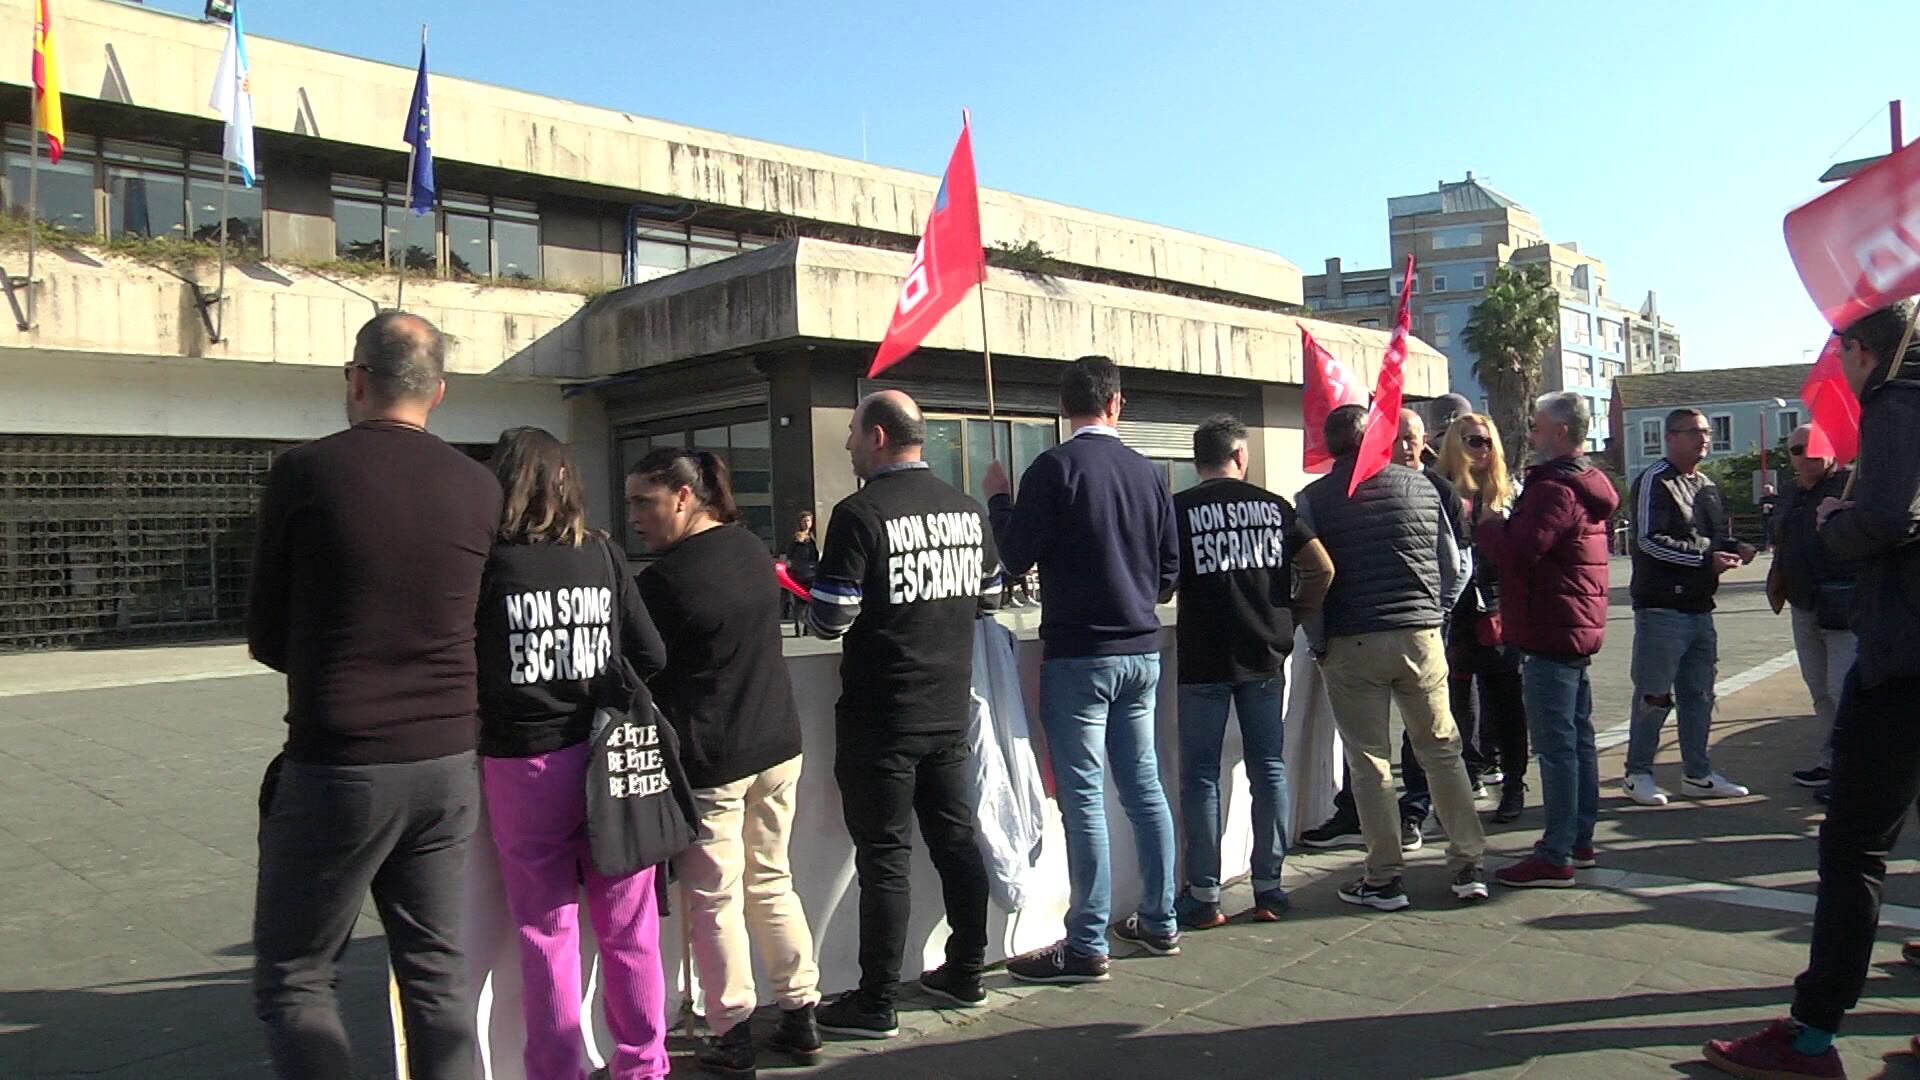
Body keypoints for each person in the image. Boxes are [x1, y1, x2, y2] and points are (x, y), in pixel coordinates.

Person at [247, 312, 500, 1079]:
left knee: (297, 975)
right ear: (440, 393)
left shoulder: (307, 472)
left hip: (341, 761)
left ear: (356, 379)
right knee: (435, 975)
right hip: (448, 760)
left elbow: (265, 631)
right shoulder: (479, 485)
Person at [1705, 301, 1920, 1077]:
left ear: (1862, 353)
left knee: (1853, 845)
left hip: (1902, 657)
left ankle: (1811, 1035)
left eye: (1845, 357)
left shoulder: (1898, 401)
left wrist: (1838, 520)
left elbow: (1887, 519)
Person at [801, 391, 1004, 1037]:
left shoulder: (860, 515)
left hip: (881, 714)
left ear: (880, 436)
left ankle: (877, 1000)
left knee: (884, 857)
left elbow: (832, 617)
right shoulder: (967, 508)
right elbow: (993, 598)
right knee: (955, 841)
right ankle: (968, 967)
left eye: (854, 434)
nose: (848, 446)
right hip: (947, 709)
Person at [475, 427, 672, 1080]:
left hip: (521, 763)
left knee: (545, 929)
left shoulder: (487, 563)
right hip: (607, 758)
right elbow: (652, 654)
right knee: (628, 926)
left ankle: (557, 1068)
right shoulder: (604, 554)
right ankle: (643, 1064)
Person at [983, 355, 1182, 982]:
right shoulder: (1150, 473)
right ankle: (1159, 919)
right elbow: (1170, 572)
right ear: (1117, 403)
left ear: (1064, 410)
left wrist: (998, 501)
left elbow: (1012, 557)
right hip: (1141, 650)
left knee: (1085, 799)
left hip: (1078, 656)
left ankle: (1088, 941)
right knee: (1145, 787)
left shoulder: (1054, 468)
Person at [628, 449, 821, 1074]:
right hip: (778, 743)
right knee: (772, 878)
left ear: (683, 498)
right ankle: (800, 1012)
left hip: (714, 757)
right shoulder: (748, 548)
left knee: (715, 897)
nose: (634, 516)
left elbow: (634, 669)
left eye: (643, 502)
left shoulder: (661, 583)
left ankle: (732, 1027)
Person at [1298, 404, 1488, 911]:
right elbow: (1454, 563)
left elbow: (1312, 576)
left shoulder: (1312, 499)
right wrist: (1436, 612)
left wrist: (1318, 641)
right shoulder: (1422, 487)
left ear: (1330, 446)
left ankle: (1384, 877)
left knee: (1369, 762)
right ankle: (1467, 863)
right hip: (1420, 634)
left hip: (1350, 639)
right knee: (1442, 750)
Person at [1170, 414, 1334, 929]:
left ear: (1198, 460)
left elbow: (1161, 582)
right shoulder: (1274, 507)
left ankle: (1204, 894)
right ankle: (1269, 888)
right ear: (1241, 456)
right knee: (1268, 768)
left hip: (1202, 657)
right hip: (1265, 652)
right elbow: (1322, 568)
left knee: (1200, 775)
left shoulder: (1178, 510)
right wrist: (1293, 615)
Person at [1475, 393, 1617, 888]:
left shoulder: (1556, 488)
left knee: (1558, 746)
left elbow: (1520, 551)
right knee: (1576, 741)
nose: (1531, 434)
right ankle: (1577, 838)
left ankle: (1556, 852)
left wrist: (1489, 524)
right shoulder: (1586, 483)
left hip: (1549, 627)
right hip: (1571, 624)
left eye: (1537, 427)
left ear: (1559, 432)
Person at [1623, 407, 1756, 805]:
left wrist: (1735, 548)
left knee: (1699, 694)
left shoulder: (1707, 485)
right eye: (1694, 432)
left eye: (1707, 433)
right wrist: (1704, 561)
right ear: (1670, 437)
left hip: (1700, 606)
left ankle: (1697, 772)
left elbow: (1710, 539)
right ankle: (1638, 772)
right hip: (1663, 606)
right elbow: (1648, 540)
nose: (1704, 439)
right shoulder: (1654, 480)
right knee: (1654, 693)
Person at [1434, 413, 1531, 825]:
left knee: (1508, 700)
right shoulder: (1437, 490)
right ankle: (1467, 776)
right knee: (1454, 703)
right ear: (1455, 444)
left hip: (1496, 609)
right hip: (1449, 611)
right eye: (1474, 440)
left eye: (1488, 442)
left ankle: (1514, 783)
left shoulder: (1509, 494)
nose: (1483, 449)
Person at [1768, 422, 1856, 796]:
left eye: (1813, 447)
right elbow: (1778, 535)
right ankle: (1832, 762)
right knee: (1819, 690)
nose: (1805, 456)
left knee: (1843, 689)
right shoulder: (1790, 493)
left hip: (1843, 603)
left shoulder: (1849, 486)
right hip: (1803, 604)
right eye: (1797, 450)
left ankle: (1854, 771)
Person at [782, 511, 820, 625]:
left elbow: (815, 555)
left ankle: (807, 623)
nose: (807, 524)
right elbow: (789, 554)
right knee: (799, 599)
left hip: (811, 571)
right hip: (799, 572)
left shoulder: (812, 537)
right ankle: (799, 623)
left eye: (808, 521)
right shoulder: (796, 538)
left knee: (810, 599)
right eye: (804, 521)